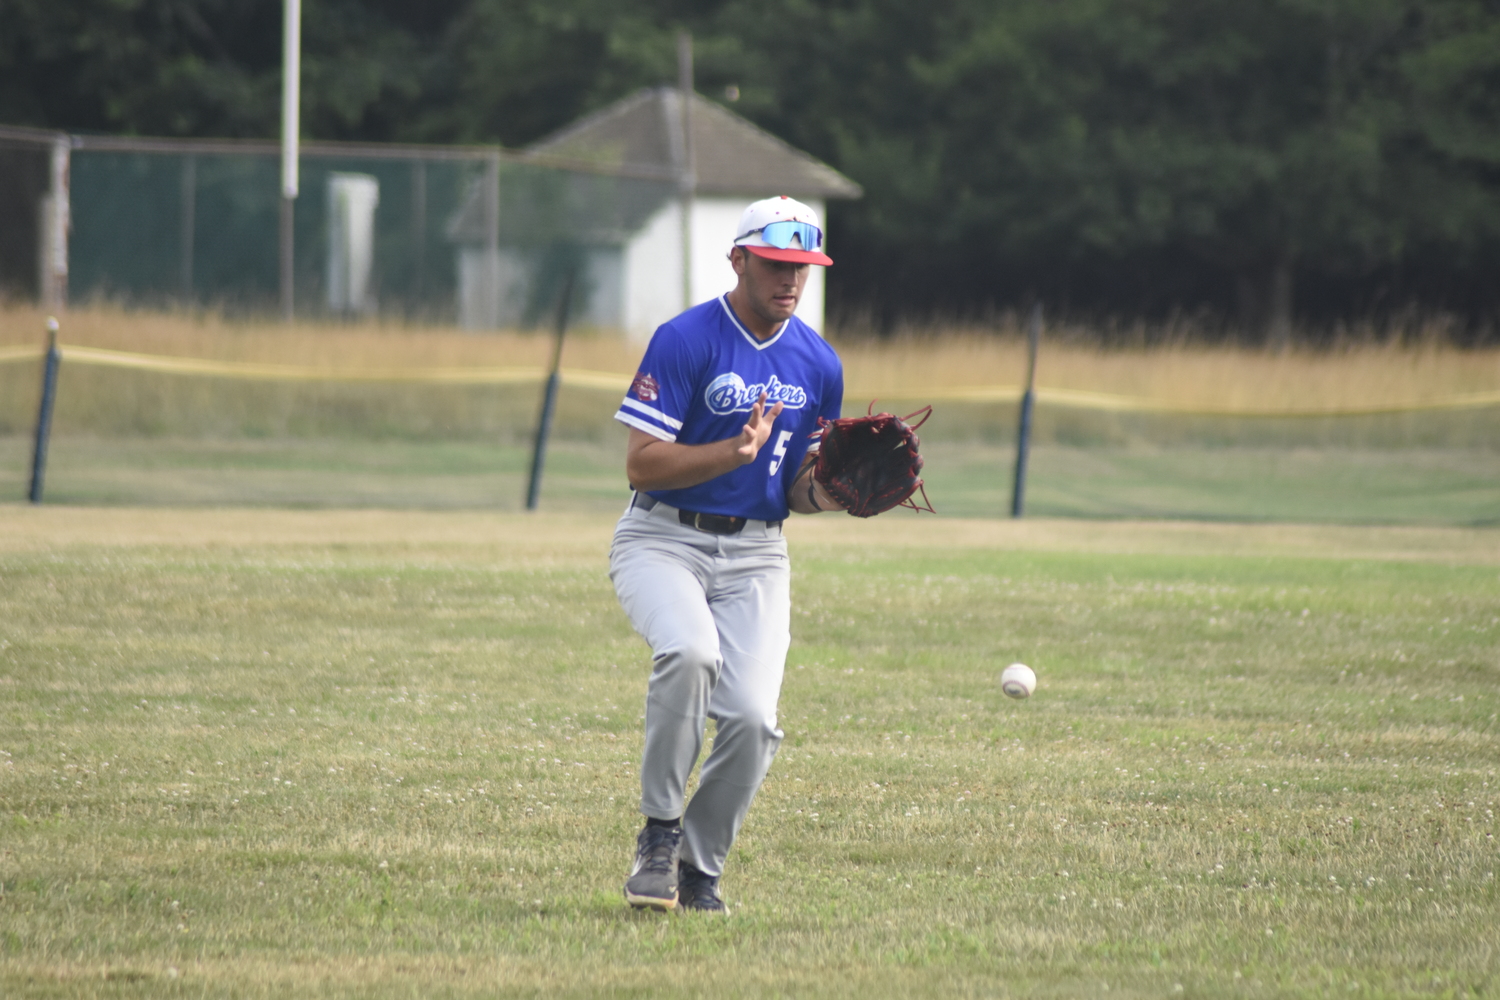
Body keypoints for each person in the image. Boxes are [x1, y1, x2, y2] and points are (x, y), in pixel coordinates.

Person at [609, 195, 845, 913]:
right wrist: (729, 452)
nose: (791, 281)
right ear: (738, 259)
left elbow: (795, 490)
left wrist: (832, 491)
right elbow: (642, 466)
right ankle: (657, 836)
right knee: (689, 654)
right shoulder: (685, 339)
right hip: (661, 539)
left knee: (751, 718)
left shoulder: (820, 364)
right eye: (777, 264)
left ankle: (696, 867)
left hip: (756, 556)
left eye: (803, 267)